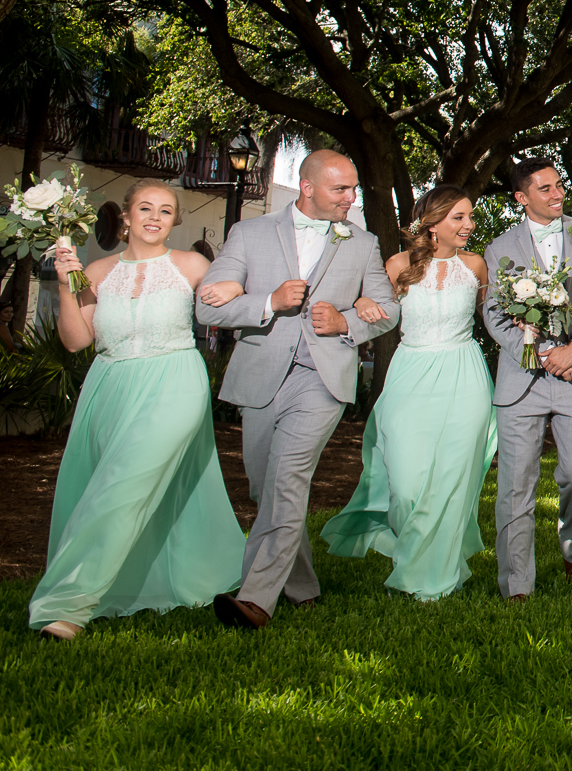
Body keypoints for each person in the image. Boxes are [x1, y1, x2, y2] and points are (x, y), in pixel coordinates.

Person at [29, 180, 243, 640]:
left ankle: (68, 607)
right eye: (145, 208)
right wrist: (69, 286)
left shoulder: (193, 264)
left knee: (121, 487)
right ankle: (137, 580)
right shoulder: (98, 270)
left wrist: (240, 291)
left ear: (174, 221)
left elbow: (232, 303)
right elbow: (76, 340)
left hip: (175, 382)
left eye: (166, 211)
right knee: (113, 485)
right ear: (125, 217)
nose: (154, 217)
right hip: (110, 386)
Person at [195, 150, 398, 628]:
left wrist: (345, 321)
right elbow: (209, 309)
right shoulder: (248, 233)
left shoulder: (363, 243)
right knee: (266, 486)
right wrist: (267, 301)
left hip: (322, 379)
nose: (352, 198)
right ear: (307, 187)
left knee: (287, 478)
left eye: (353, 188)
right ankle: (301, 585)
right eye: (340, 189)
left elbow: (388, 309)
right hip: (260, 374)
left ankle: (255, 598)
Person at [320, 185, 496, 600]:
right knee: (406, 482)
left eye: (470, 216)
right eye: (459, 217)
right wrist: (363, 301)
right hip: (410, 372)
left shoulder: (476, 266)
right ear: (432, 224)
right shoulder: (398, 264)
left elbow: (492, 322)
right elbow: (381, 314)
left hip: (463, 372)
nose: (469, 225)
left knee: (453, 477)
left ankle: (433, 574)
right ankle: (413, 546)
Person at [482, 158, 572, 602]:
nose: (557, 193)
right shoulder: (499, 247)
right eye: (545, 188)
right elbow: (492, 313)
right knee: (516, 483)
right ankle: (517, 582)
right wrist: (541, 352)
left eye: (559, 185)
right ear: (522, 198)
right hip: (521, 378)